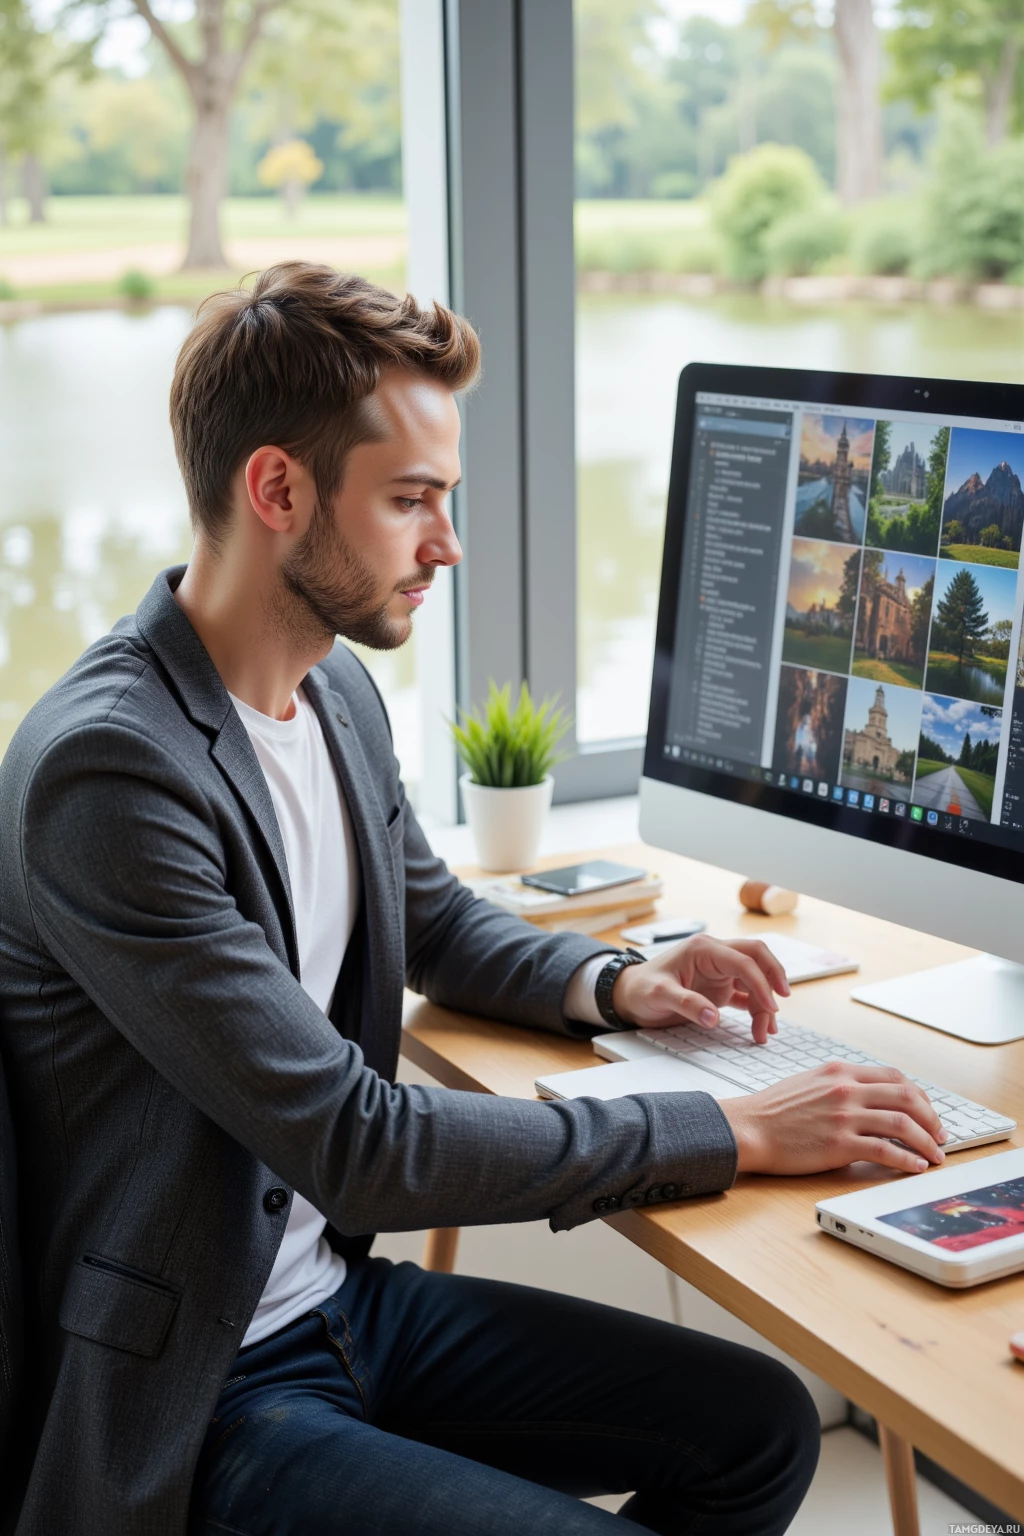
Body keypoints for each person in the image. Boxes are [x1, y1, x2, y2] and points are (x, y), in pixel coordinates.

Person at [0, 263, 948, 1536]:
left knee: (761, 1431)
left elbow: (432, 919)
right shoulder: (109, 774)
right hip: (200, 1387)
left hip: (336, 1305)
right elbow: (359, 1146)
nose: (447, 542)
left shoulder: (328, 689)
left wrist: (616, 982)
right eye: (411, 502)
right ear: (276, 490)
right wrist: (737, 1132)